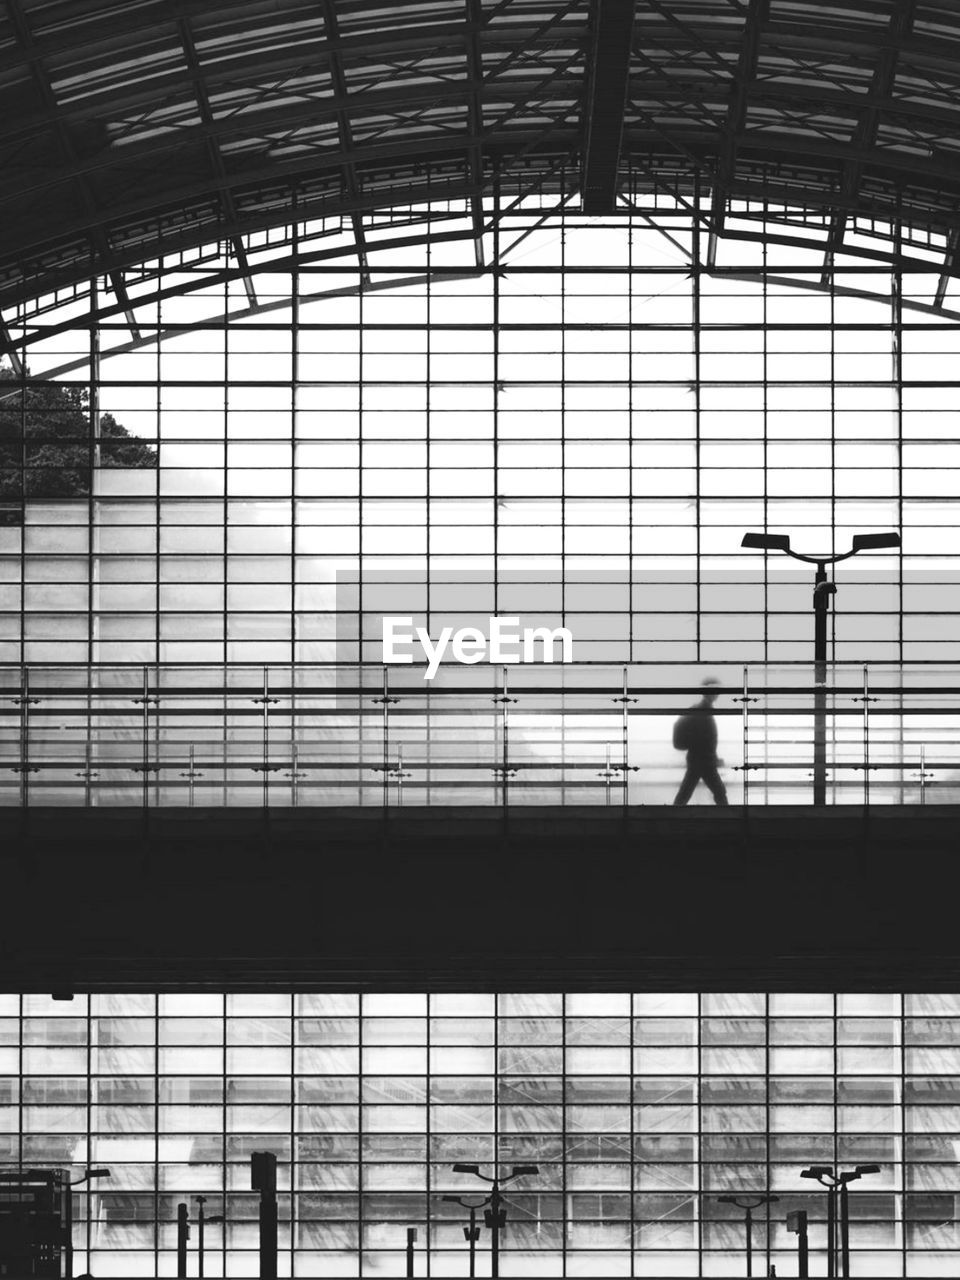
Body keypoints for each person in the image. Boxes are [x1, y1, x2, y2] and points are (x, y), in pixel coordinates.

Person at [672, 677, 728, 806]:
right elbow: (706, 740)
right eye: (715, 691)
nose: (717, 694)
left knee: (685, 792)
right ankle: (730, 819)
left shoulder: (699, 710)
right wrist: (714, 758)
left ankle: (672, 816)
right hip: (704, 760)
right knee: (719, 792)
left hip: (697, 759)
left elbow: (702, 739)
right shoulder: (704, 712)